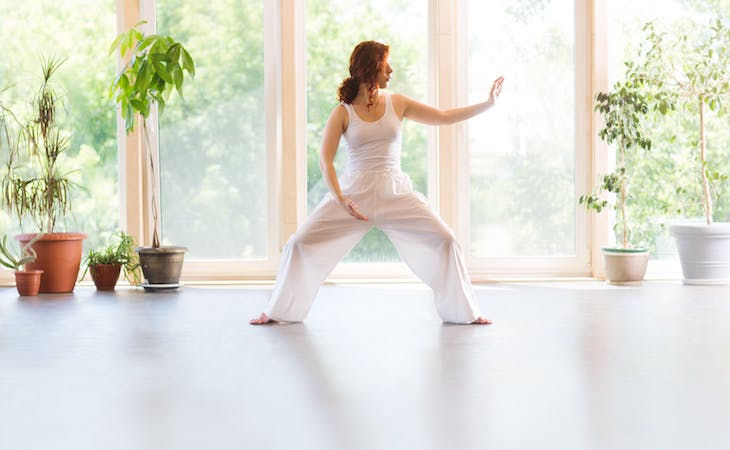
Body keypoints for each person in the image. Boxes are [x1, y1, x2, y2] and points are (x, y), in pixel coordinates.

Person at [250, 40, 503, 325]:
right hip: (353, 195)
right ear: (370, 68)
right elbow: (325, 161)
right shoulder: (343, 112)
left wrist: (487, 104)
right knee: (298, 243)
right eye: (386, 65)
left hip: (395, 192)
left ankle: (466, 312)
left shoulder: (398, 102)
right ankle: (275, 311)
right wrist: (341, 200)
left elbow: (444, 118)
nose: (391, 71)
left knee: (446, 240)